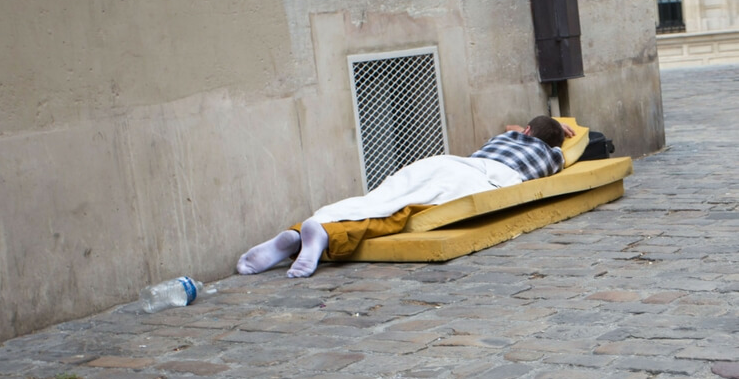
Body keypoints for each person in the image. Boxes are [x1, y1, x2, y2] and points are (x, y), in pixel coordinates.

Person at [237, 116, 574, 279]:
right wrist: (559, 133)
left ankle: (298, 235)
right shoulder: (552, 157)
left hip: (446, 162)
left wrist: (543, 125)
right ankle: (324, 234)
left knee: (381, 197)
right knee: (401, 214)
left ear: (526, 131)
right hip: (473, 180)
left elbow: (517, 127)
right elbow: (566, 149)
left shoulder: (505, 137)